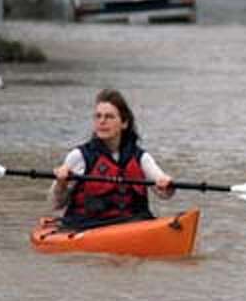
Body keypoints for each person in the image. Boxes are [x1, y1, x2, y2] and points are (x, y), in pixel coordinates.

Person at [50, 88, 175, 228]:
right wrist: (61, 183)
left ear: (124, 123)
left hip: (133, 224)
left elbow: (164, 194)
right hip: (88, 226)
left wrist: (167, 185)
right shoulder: (79, 156)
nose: (102, 122)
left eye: (109, 117)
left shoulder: (141, 158)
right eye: (98, 116)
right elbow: (56, 204)